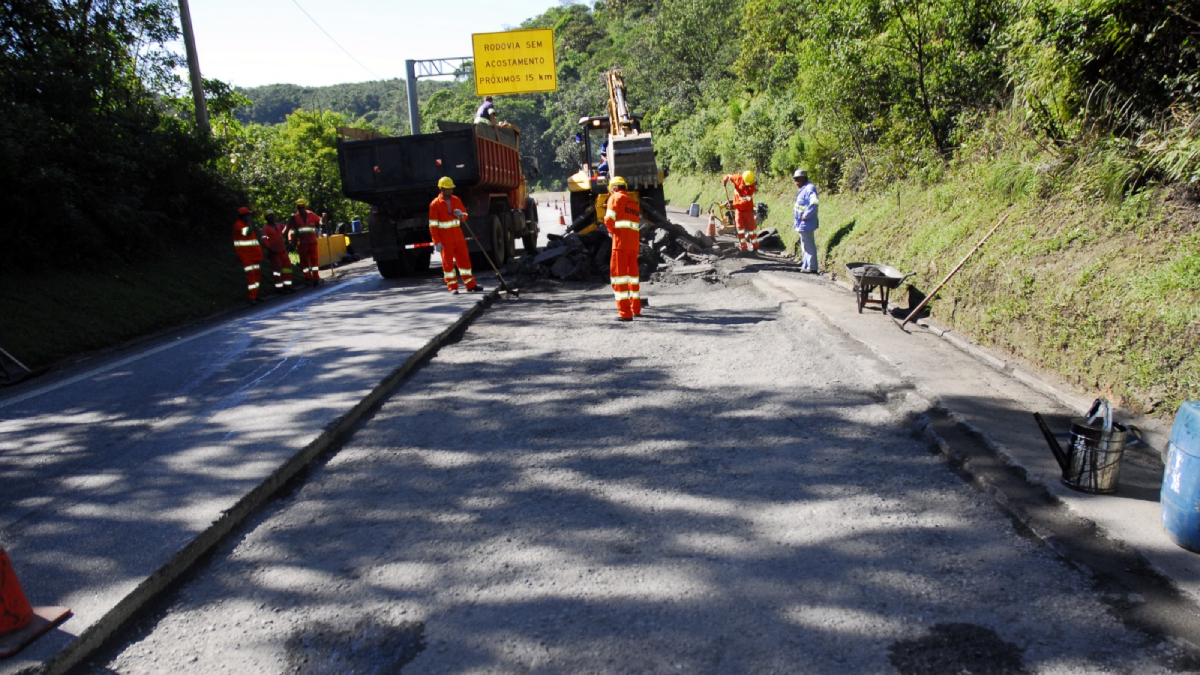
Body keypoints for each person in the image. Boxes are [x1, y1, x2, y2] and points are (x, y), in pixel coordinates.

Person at [428, 177, 479, 294]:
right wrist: (437, 242)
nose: (450, 191)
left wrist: (461, 215)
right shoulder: (435, 204)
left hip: (458, 237)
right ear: (441, 189)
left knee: (465, 261)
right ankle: (453, 287)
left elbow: (465, 216)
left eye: (451, 189)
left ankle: (471, 285)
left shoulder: (456, 200)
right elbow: (433, 226)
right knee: (448, 264)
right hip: (445, 240)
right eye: (447, 189)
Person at [603, 176, 642, 321]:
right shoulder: (633, 202)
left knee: (619, 278)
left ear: (613, 188)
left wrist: (611, 231)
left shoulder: (615, 198)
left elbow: (608, 219)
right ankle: (636, 309)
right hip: (633, 245)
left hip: (620, 244)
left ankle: (625, 314)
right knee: (633, 278)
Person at [232, 207, 264, 304]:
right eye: (248, 215)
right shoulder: (238, 225)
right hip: (246, 256)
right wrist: (249, 223)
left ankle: (255, 295)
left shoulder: (245, 224)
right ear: (243, 216)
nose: (249, 217)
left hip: (254, 255)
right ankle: (252, 297)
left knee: (257, 275)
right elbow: (248, 232)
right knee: (251, 276)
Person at [723, 170, 758, 252]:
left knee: (751, 230)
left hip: (747, 210)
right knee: (740, 229)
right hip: (739, 211)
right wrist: (725, 179)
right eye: (746, 183)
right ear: (743, 179)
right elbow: (728, 176)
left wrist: (734, 205)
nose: (747, 185)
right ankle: (743, 247)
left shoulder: (752, 187)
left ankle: (755, 246)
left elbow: (746, 202)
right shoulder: (738, 178)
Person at [793, 169, 820, 273]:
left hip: (806, 223)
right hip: (802, 223)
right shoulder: (804, 188)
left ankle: (812, 267)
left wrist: (806, 215)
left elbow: (814, 202)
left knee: (808, 244)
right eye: (794, 179)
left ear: (804, 179)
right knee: (804, 244)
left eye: (797, 179)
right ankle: (806, 265)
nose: (796, 182)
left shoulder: (809, 188)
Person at [260, 210, 293, 293]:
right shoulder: (265, 228)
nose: (270, 218)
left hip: (282, 252)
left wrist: (291, 221)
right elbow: (264, 241)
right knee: (277, 272)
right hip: (274, 254)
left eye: (271, 216)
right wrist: (270, 248)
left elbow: (287, 229)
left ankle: (288, 286)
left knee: (287, 269)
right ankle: (279, 289)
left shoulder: (278, 225)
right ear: (266, 218)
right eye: (268, 216)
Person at [292, 199, 323, 287]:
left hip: (312, 242)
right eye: (299, 208)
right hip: (302, 244)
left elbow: (319, 222)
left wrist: (323, 219)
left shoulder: (312, 215)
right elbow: (291, 230)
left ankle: (316, 278)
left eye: (302, 207)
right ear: (297, 208)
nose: (301, 209)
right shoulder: (294, 218)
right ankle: (308, 278)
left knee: (314, 261)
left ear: (305, 207)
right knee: (304, 262)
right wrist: (291, 239)